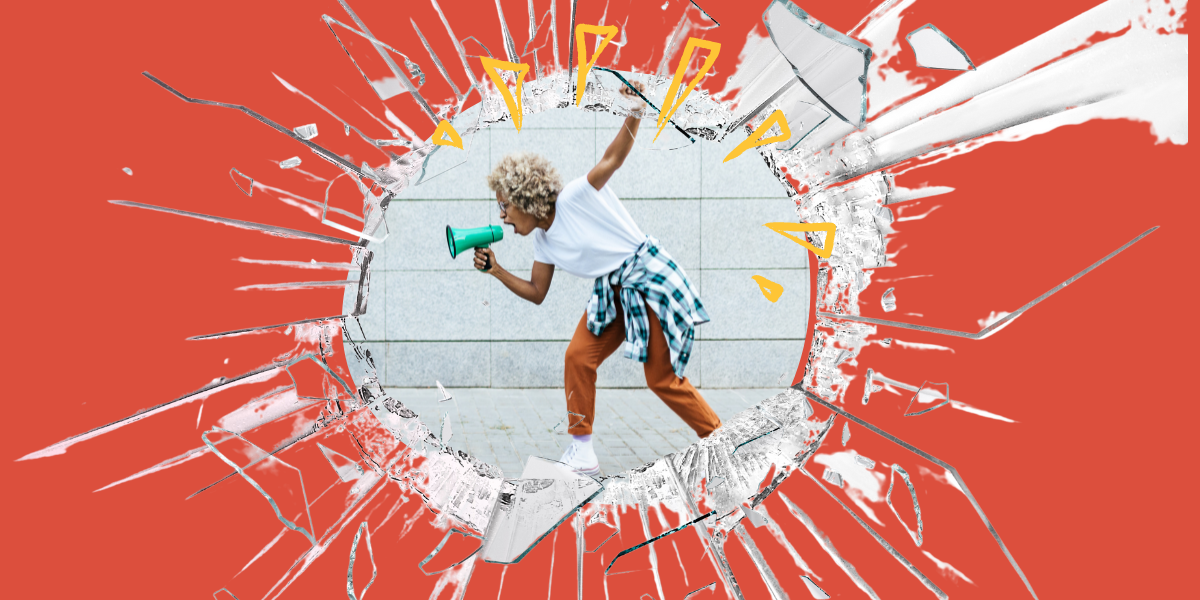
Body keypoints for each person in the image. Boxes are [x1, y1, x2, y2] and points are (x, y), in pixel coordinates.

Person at [475, 82, 722, 477]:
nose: (502, 216)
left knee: (662, 379)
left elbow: (613, 158)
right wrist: (497, 270)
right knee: (578, 356)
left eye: (504, 206)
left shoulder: (576, 197)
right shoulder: (542, 240)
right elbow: (538, 293)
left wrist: (635, 110)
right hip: (611, 292)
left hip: (645, 281)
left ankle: (719, 440)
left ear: (524, 199)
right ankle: (582, 450)